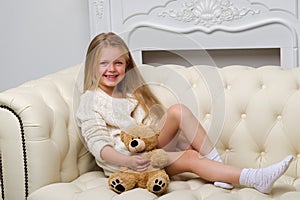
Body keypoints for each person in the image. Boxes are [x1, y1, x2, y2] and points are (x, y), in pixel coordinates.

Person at [76, 32, 293, 194]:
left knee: (178, 111)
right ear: (92, 66)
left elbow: (150, 131)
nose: (111, 69)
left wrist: (177, 143)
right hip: (124, 162)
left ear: (127, 65)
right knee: (189, 157)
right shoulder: (90, 100)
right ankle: (254, 177)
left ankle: (218, 168)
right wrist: (130, 162)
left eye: (118, 63)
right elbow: (98, 145)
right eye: (103, 63)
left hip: (146, 150)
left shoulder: (131, 95)